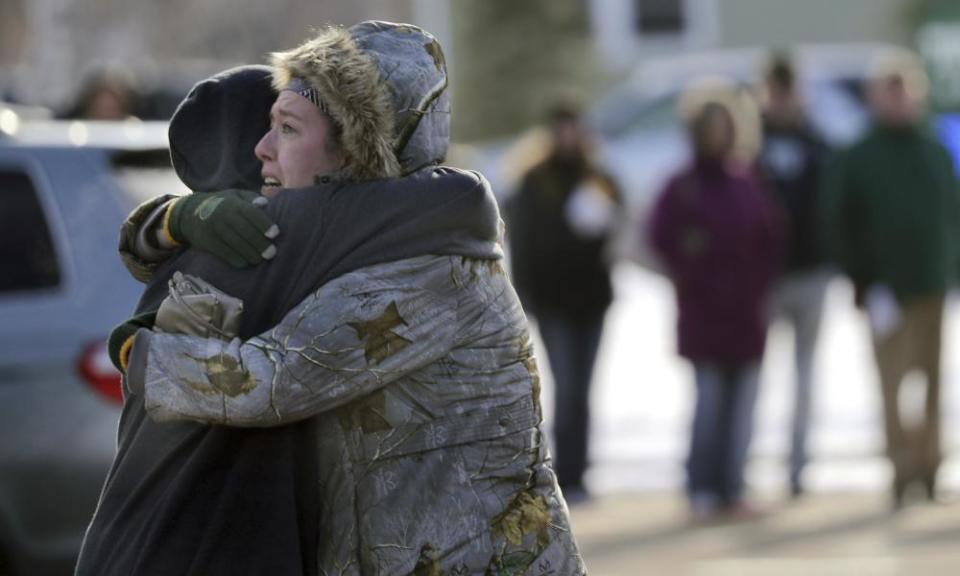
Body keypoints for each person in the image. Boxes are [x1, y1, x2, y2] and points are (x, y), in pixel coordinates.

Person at [111, 22, 585, 575]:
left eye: (287, 129)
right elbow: (241, 231)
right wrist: (170, 219)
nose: (262, 149)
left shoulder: (426, 267)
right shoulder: (364, 236)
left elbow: (272, 381)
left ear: (355, 154)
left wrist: (136, 353)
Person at [823, 52, 960, 509]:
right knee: (892, 386)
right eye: (891, 90)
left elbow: (951, 215)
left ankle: (930, 467)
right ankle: (901, 471)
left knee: (933, 384)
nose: (900, 99)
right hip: (886, 289)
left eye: (906, 89)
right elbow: (838, 221)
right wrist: (861, 278)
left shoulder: (934, 148)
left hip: (932, 285)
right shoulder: (859, 155)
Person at [648, 92, 780, 521]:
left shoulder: (746, 181)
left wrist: (761, 284)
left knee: (742, 408)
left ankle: (734, 486)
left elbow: (770, 240)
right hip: (704, 313)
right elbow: (659, 236)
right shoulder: (682, 185)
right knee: (709, 404)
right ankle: (701, 486)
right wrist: (690, 268)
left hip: (746, 314)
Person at [506, 104, 621, 498]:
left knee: (584, 389)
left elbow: (615, 226)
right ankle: (564, 473)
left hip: (591, 299)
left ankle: (579, 473)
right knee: (566, 385)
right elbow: (521, 243)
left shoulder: (599, 178)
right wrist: (526, 298)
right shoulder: (534, 182)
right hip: (553, 301)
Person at [755, 54, 831, 498]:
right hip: (763, 278)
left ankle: (797, 466)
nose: (783, 97)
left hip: (810, 273)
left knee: (805, 375)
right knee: (754, 375)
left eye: (789, 88)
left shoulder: (817, 142)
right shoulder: (749, 142)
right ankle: (744, 464)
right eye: (776, 88)